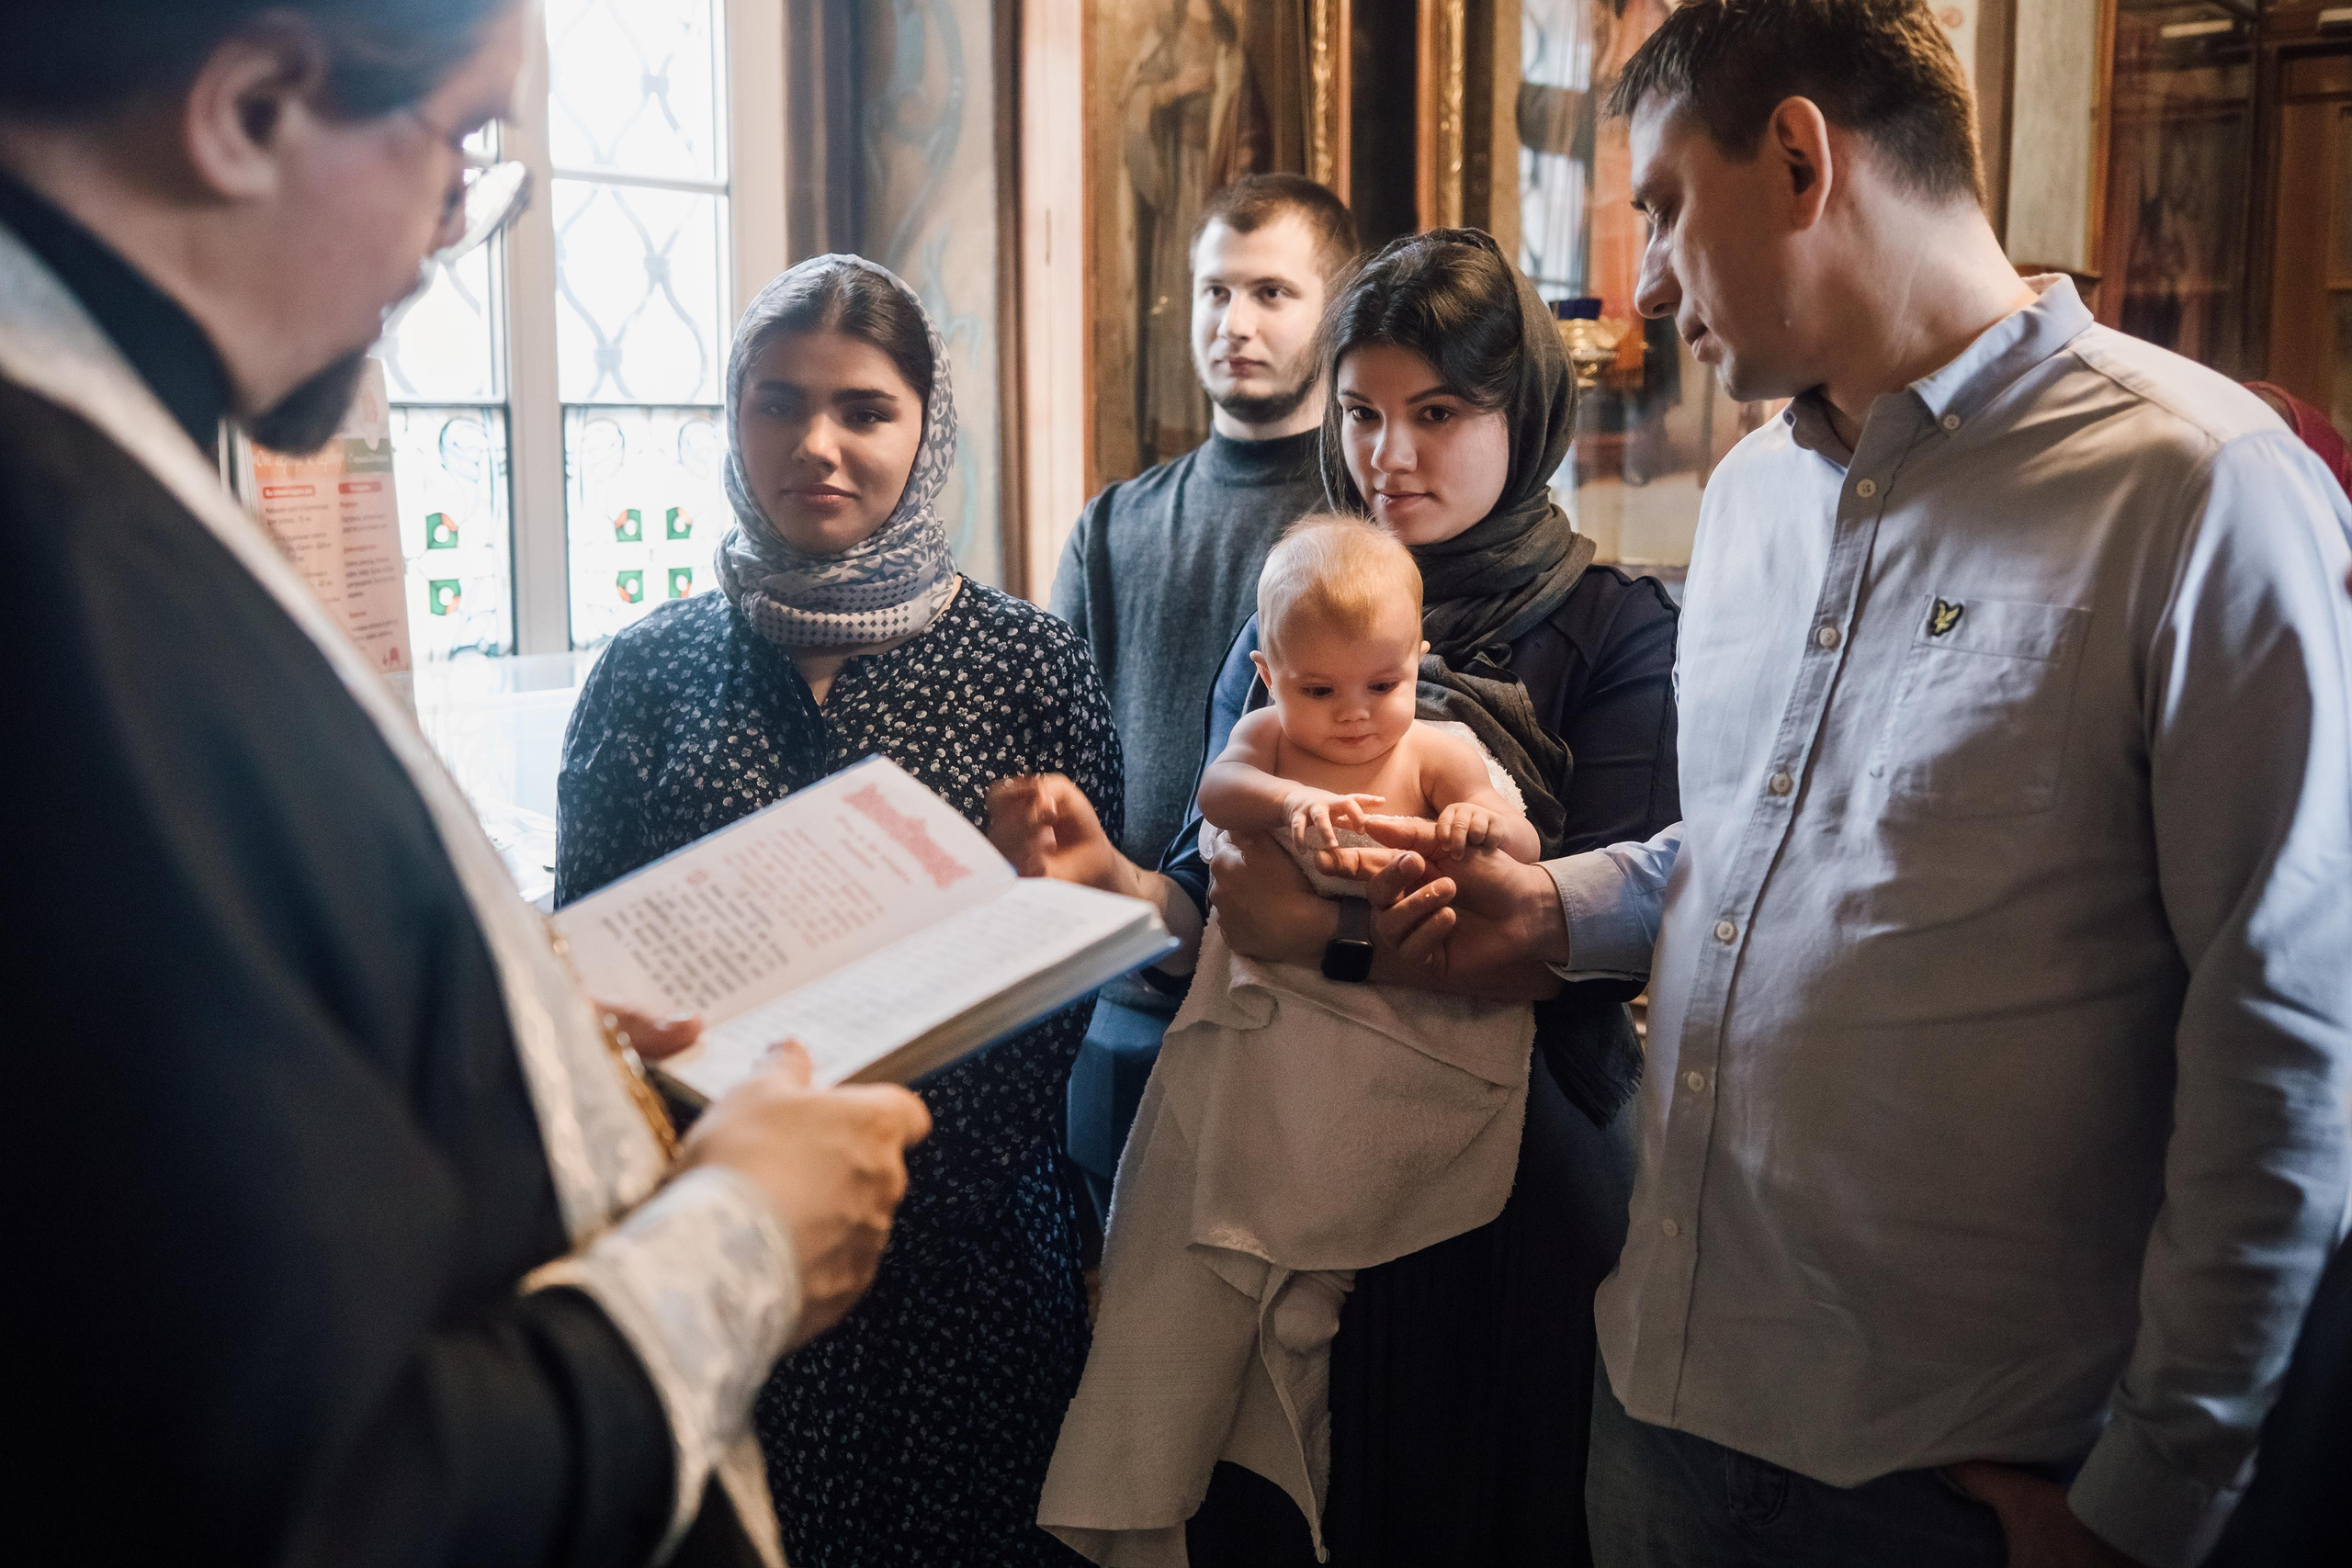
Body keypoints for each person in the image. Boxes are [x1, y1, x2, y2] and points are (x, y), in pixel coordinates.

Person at [1311, 5, 2352, 1565]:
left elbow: (2286, 1030)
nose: (1647, 280)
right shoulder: (1748, 502)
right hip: (1662, 1398)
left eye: (1663, 206)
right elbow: (1760, 845)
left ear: (1799, 158)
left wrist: (2151, 1501)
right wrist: (1557, 910)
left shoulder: (2198, 491)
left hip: (1957, 1478)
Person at [2, 6, 931, 1566]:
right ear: (252, 108)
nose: (451, 236)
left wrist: (509, 1042)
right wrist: (745, 1244)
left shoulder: (109, 473)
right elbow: (310, 1494)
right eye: (461, 148)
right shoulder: (60, 563)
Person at [996, 227, 1682, 1566]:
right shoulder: (1298, 613)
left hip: (1515, 1176)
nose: (1390, 456)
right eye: (1363, 412)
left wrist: (1327, 932)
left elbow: (1605, 926)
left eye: (1438, 413)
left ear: (1523, 411)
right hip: (1286, 1142)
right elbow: (1213, 895)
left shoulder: (1611, 627)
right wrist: (1113, 883)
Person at [556, 254, 1121, 1568]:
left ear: (927, 432)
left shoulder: (1029, 660)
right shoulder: (651, 671)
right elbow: (583, 966)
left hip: (974, 1253)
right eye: (776, 402)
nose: (816, 443)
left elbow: (1080, 952)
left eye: (864, 408)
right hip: (723, 1241)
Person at [1040, 517, 1544, 1562]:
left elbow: (1523, 841)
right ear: (1269, 674)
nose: (1355, 717)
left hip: (1395, 1037)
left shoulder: (1437, 747)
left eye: (1382, 684)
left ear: (1418, 664)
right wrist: (1288, 802)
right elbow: (1219, 793)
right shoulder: (1270, 742)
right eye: (1319, 691)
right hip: (1271, 1024)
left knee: (1313, 1248)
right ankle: (1184, 1453)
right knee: (1202, 1221)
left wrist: (1473, 827)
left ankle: (1296, 1333)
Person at [1050, 171, 1358, 1219]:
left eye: (1272, 293)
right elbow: (1061, 752)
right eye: (1214, 293)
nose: (1235, 323)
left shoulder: (1369, 529)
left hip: (1305, 1003)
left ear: (1337, 309)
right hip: (1123, 992)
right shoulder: (1113, 526)